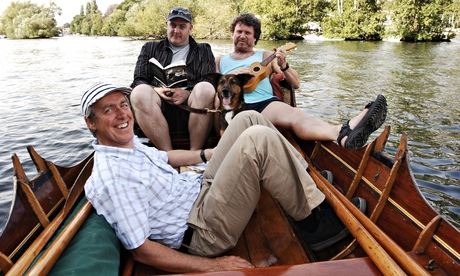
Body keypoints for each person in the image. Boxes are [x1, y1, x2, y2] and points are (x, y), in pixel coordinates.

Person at [81, 82, 365, 273]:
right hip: (202, 231)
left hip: (199, 191)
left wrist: (209, 153)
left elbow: (166, 157)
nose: (123, 114)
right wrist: (213, 266)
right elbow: (141, 250)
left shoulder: (128, 148)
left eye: (123, 104)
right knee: (258, 139)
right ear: (91, 122)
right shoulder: (112, 177)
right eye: (109, 110)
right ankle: (318, 226)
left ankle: (297, 179)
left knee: (246, 120)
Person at [216, 13, 387, 149]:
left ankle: (341, 133)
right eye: (239, 32)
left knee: (296, 115)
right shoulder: (220, 60)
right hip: (235, 106)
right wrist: (234, 75)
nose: (242, 36)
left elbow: (296, 83)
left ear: (255, 38)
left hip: (266, 104)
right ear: (233, 34)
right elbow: (213, 90)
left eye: (248, 33)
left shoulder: (265, 56)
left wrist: (284, 65)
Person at [130, 7, 216, 151]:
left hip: (191, 101)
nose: (176, 30)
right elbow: (138, 79)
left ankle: (194, 152)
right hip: (157, 100)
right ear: (167, 25)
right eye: (173, 25)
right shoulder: (150, 48)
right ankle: (168, 154)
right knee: (139, 92)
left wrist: (187, 93)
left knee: (206, 88)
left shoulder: (203, 50)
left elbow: (209, 79)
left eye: (182, 26)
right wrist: (157, 90)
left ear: (190, 28)